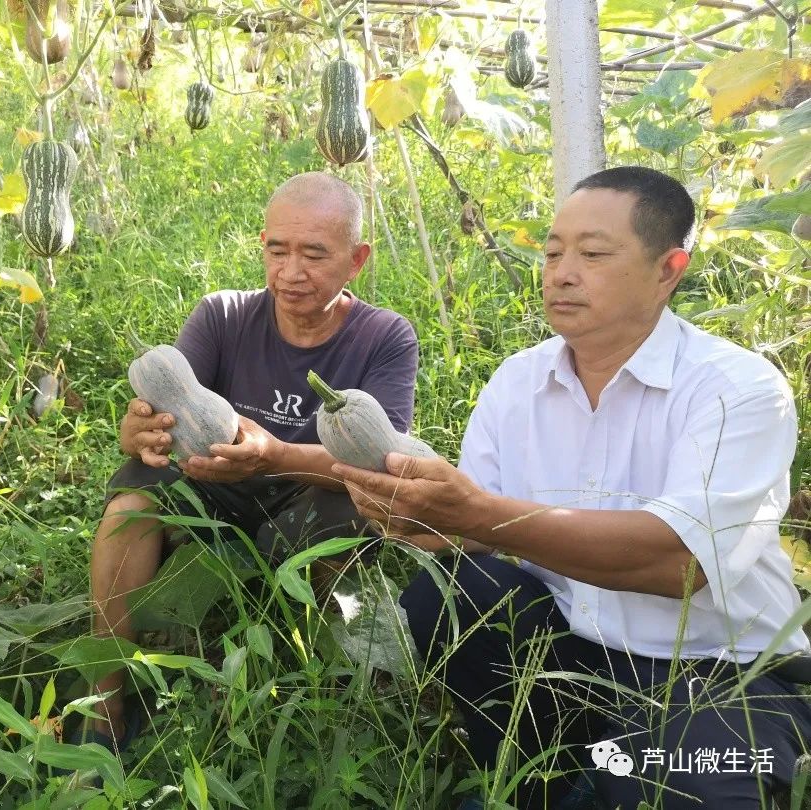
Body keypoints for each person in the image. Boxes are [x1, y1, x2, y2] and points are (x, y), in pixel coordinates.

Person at [334, 166, 811, 809]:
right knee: (449, 594)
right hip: (570, 650)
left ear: (669, 268)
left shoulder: (739, 389)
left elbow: (678, 562)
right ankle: (536, 779)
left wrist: (476, 515)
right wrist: (424, 519)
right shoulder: (517, 381)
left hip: (726, 673)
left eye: (592, 254)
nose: (560, 272)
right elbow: (473, 532)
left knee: (674, 792)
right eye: (553, 251)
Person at [82, 171, 421, 752]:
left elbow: (383, 466)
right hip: (214, 484)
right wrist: (139, 432)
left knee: (346, 515)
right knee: (132, 499)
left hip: (309, 491)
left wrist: (276, 456)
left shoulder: (385, 337)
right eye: (277, 250)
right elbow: (157, 410)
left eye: (314, 254)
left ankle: (345, 700)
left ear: (356, 259)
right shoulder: (222, 316)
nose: (291, 272)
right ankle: (105, 700)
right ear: (262, 244)